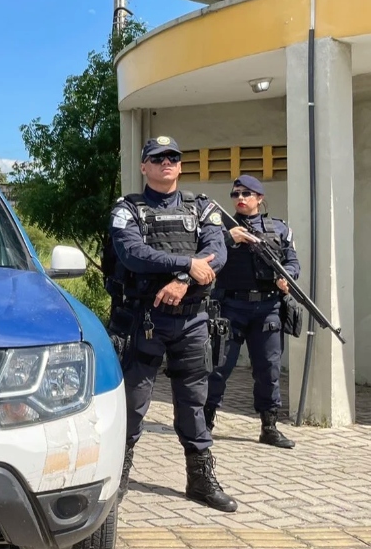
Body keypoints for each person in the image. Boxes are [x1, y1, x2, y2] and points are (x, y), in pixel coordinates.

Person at [107, 136, 236, 512]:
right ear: (144, 166)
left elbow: (218, 253)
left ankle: (200, 480)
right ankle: (118, 477)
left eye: (173, 157)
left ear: (180, 166)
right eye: (157, 157)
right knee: (132, 402)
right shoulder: (128, 208)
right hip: (142, 320)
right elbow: (132, 253)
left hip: (193, 320)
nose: (166, 162)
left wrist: (183, 281)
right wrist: (184, 264)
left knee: (194, 402)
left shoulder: (203, 208)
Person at [205, 175, 300, 448]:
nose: (240, 199)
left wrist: (287, 277)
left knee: (268, 368)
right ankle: (206, 421)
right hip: (230, 307)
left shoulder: (280, 229)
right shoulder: (219, 227)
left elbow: (293, 263)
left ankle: (269, 427)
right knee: (219, 366)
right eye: (236, 194)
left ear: (259, 197)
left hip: (268, 308)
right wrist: (227, 238)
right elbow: (205, 255)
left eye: (247, 194)